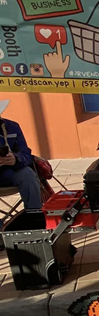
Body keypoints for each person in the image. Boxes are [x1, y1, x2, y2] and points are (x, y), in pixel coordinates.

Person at [0, 99, 43, 242]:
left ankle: (34, 220)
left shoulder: (12, 127)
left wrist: (16, 159)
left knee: (28, 174)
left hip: (10, 173)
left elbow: (26, 154)